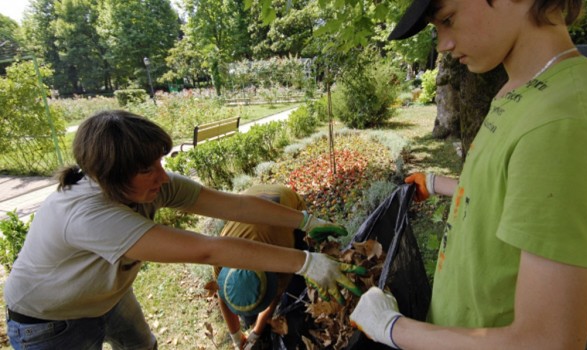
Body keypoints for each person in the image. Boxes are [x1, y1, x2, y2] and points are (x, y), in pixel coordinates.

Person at [350, 0, 587, 349]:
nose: (442, 44)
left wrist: (391, 328)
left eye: (448, 19)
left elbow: (547, 340)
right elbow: (511, 191)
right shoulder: (519, 89)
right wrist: (441, 184)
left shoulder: (562, 121)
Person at [3, 110, 364, 350]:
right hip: (49, 323)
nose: (162, 176)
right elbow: (208, 250)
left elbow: (233, 204)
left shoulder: (148, 183)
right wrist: (305, 262)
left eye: (160, 162)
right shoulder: (88, 215)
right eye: (148, 168)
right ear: (111, 176)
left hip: (106, 298)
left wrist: (305, 221)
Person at [213, 184, 313, 350]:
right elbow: (222, 297)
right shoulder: (219, 256)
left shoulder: (283, 260)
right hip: (251, 196)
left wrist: (256, 333)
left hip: (287, 202)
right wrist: (237, 339)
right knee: (251, 309)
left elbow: (274, 298)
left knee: (299, 277)